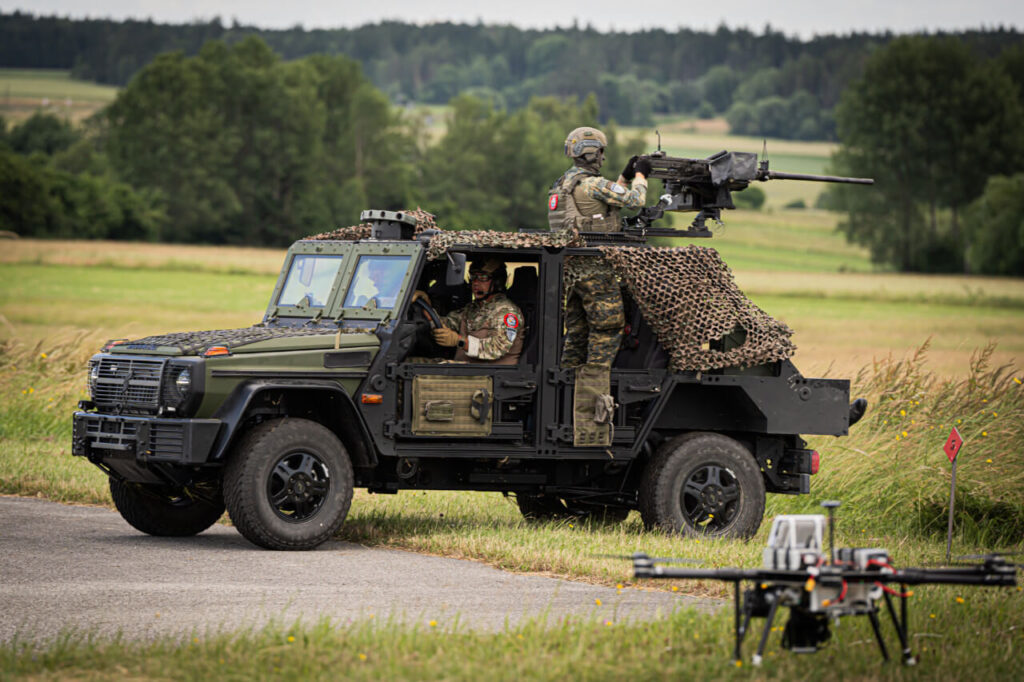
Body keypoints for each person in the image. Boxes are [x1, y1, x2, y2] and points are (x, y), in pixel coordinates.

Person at [548, 126, 650, 368]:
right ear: (591, 154)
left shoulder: (564, 183)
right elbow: (636, 200)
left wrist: (624, 177)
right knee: (609, 326)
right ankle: (593, 387)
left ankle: (568, 381)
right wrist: (641, 176)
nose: (603, 158)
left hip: (573, 268)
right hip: (594, 268)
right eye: (601, 152)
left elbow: (601, 203)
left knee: (578, 332)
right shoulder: (593, 183)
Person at [426, 258, 524, 365]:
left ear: (497, 282)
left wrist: (459, 341)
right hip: (467, 372)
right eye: (473, 277)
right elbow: (446, 324)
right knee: (414, 362)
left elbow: (496, 348)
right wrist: (425, 307)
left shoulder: (506, 311)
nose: (475, 283)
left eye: (483, 277)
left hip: (489, 376)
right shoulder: (473, 308)